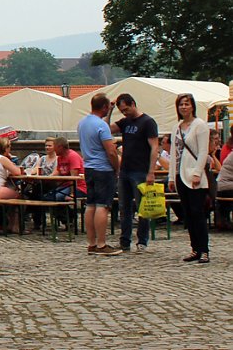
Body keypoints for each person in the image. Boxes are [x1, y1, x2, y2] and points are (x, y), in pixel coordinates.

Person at [106, 93, 159, 253]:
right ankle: (125, 240)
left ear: (133, 104)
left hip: (141, 170)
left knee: (142, 207)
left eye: (127, 109)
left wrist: (151, 171)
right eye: (122, 111)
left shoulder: (148, 122)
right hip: (126, 170)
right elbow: (106, 129)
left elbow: (154, 147)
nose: (125, 113)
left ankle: (142, 240)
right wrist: (109, 111)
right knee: (124, 207)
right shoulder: (125, 122)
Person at [168, 93, 211, 263]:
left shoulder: (200, 125)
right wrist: (172, 176)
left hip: (193, 173)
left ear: (192, 106)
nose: (184, 107)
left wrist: (197, 173)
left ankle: (204, 249)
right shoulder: (177, 127)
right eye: (181, 104)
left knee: (197, 212)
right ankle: (194, 248)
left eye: (187, 104)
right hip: (180, 174)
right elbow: (174, 153)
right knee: (188, 214)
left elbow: (202, 151)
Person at [79, 93, 121, 256]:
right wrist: (116, 167)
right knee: (103, 206)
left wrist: (109, 112)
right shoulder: (101, 126)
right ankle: (102, 244)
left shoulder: (83, 123)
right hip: (103, 169)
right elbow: (110, 151)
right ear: (104, 107)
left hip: (88, 167)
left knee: (91, 205)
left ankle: (91, 242)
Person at [47, 137, 85, 201]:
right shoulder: (60, 158)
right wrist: (48, 178)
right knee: (47, 196)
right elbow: (58, 172)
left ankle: (67, 211)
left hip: (79, 187)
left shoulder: (72, 156)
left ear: (60, 147)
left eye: (55, 147)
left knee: (57, 197)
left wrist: (72, 194)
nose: (54, 149)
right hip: (65, 186)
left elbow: (74, 178)